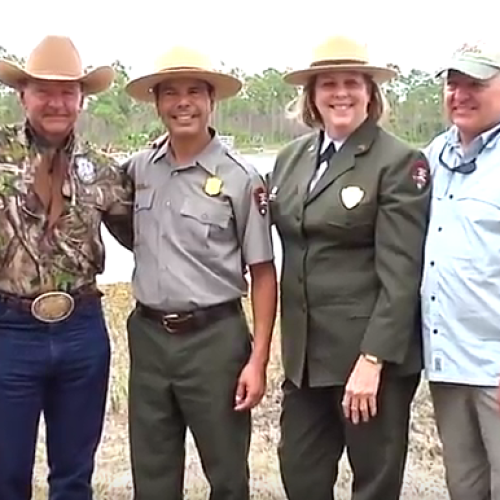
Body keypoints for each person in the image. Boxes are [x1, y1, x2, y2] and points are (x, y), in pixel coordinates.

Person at [267, 35, 431, 500]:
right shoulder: (290, 159)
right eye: (328, 84)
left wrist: (372, 360)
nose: (341, 93)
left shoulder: (398, 162)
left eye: (352, 83)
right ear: (312, 96)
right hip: (305, 362)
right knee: (299, 473)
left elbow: (402, 276)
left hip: (367, 362)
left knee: (374, 485)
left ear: (371, 92)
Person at [116, 46, 277, 500]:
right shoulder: (138, 169)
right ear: (157, 103)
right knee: (152, 473)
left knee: (226, 475)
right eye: (170, 93)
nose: (182, 102)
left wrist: (258, 359)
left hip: (215, 342)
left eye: (193, 92)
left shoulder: (242, 178)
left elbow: (263, 273)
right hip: (148, 338)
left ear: (211, 101)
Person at [0, 36, 132, 500]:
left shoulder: (103, 171)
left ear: (81, 99)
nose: (56, 102)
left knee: (74, 478)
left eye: (67, 92)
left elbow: (148, 236)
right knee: (6, 475)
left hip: (81, 330)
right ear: (23, 96)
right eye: (43, 90)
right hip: (10, 330)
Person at [421, 46, 500, 500]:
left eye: (476, 84)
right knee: (465, 486)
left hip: (494, 366)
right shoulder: (436, 154)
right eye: (453, 84)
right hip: (448, 363)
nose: (461, 95)